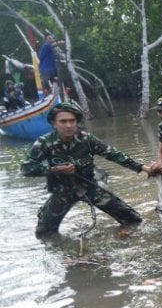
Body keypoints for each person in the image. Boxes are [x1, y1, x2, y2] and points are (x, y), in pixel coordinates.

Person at [20, 102, 152, 237]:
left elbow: (113, 154)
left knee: (133, 219)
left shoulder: (86, 139)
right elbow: (26, 168)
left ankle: (125, 236)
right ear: (54, 123)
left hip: (89, 187)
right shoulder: (44, 142)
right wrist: (55, 169)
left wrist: (141, 167)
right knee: (44, 233)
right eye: (63, 121)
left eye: (72, 121)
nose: (68, 125)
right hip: (62, 192)